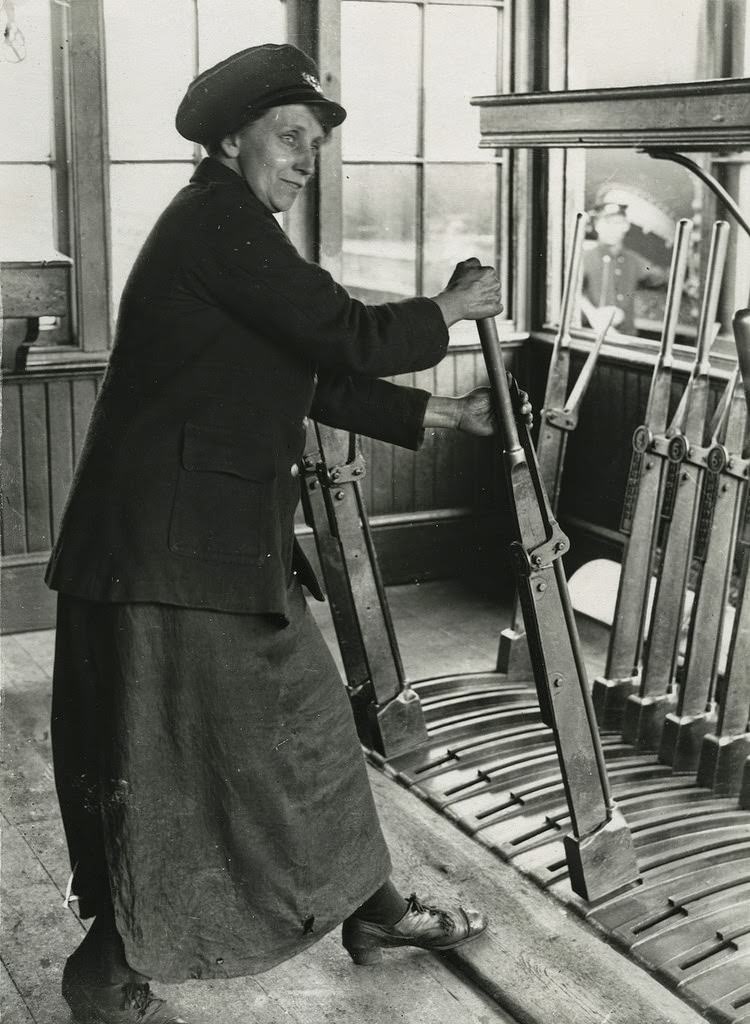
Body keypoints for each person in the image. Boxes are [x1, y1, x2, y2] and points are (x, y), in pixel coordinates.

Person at [47, 43, 526, 1024]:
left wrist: (447, 418)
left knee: (314, 731)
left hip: (214, 550)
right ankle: (103, 976)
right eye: (289, 137)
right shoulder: (219, 223)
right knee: (180, 764)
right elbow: (346, 333)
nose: (307, 159)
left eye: (315, 142)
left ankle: (376, 910)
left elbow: (312, 371)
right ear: (232, 140)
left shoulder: (233, 235)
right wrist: (451, 305)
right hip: (169, 558)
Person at [580, 198, 666, 337]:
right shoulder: (585, 258)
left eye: (618, 222)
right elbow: (571, 294)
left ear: (626, 226)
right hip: (591, 339)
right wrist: (593, 314)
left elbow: (658, 277)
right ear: (597, 225)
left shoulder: (633, 260)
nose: (613, 228)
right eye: (607, 222)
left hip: (627, 338)